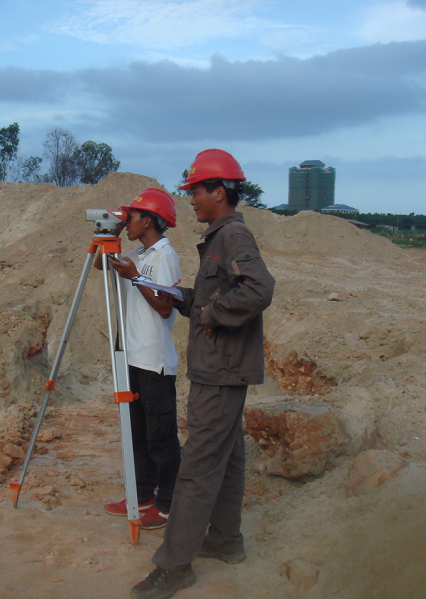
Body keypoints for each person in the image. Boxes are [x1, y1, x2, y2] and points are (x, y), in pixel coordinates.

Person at [131, 150, 275, 599]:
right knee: (228, 458)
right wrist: (181, 297)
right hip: (224, 369)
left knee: (196, 467)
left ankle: (174, 566)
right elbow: (217, 296)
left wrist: (212, 312)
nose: (190, 198)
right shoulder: (218, 237)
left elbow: (259, 288)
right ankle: (225, 540)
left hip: (221, 371)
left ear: (220, 191)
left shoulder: (233, 235)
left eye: (195, 190)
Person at [95, 188, 183, 530]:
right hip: (132, 358)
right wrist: (110, 230)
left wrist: (136, 276)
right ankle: (143, 493)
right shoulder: (137, 253)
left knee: (161, 437)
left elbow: (165, 306)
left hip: (155, 361)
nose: (127, 220)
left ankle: (167, 504)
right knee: (139, 435)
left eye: (131, 217)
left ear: (148, 220)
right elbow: (103, 264)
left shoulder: (163, 255)